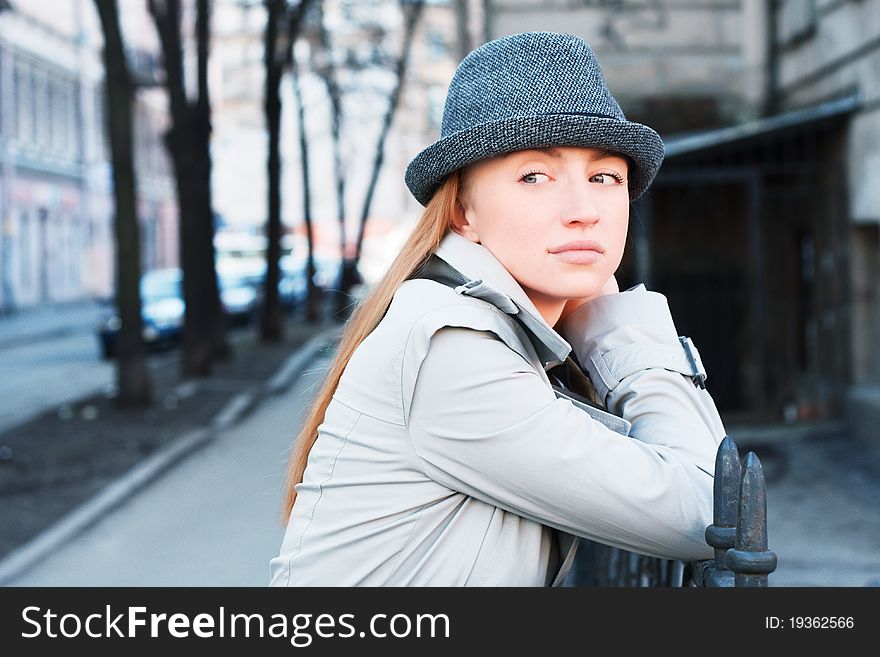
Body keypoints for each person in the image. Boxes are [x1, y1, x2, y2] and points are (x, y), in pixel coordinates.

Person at [269, 31, 726, 587]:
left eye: (605, 176)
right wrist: (617, 330)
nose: (584, 210)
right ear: (464, 213)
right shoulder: (450, 347)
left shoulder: (488, 327)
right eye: (535, 175)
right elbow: (716, 512)